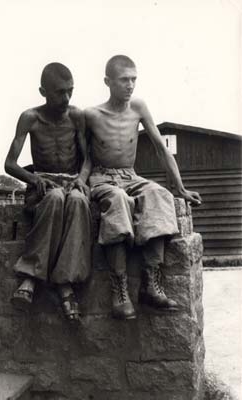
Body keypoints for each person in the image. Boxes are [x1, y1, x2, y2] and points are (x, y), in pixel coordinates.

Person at [85, 55, 201, 320]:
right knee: (118, 201)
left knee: (159, 195)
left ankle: (151, 284)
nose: (130, 85)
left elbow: (161, 148)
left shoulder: (137, 107)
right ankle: (121, 290)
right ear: (108, 81)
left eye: (134, 79)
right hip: (102, 178)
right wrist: (81, 183)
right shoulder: (90, 115)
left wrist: (180, 188)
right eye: (124, 79)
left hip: (130, 175)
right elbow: (84, 156)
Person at [5, 62, 92, 320]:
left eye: (70, 91)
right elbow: (10, 164)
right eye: (59, 92)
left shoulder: (77, 116)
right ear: (43, 91)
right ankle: (30, 278)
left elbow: (88, 159)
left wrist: (81, 179)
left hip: (72, 181)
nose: (66, 98)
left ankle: (66, 284)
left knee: (78, 201)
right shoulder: (30, 118)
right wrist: (33, 179)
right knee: (54, 198)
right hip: (43, 184)